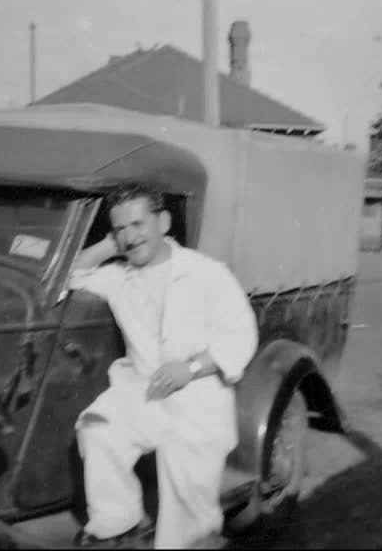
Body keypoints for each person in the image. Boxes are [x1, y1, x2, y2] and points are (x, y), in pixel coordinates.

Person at [67, 182, 258, 549]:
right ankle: (118, 522)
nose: (130, 237)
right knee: (98, 427)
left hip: (197, 399)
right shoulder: (117, 276)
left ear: (164, 222)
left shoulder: (206, 272)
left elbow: (241, 336)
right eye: (121, 229)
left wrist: (191, 368)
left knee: (185, 508)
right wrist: (109, 245)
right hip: (143, 392)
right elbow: (70, 274)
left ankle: (193, 540)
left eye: (138, 224)